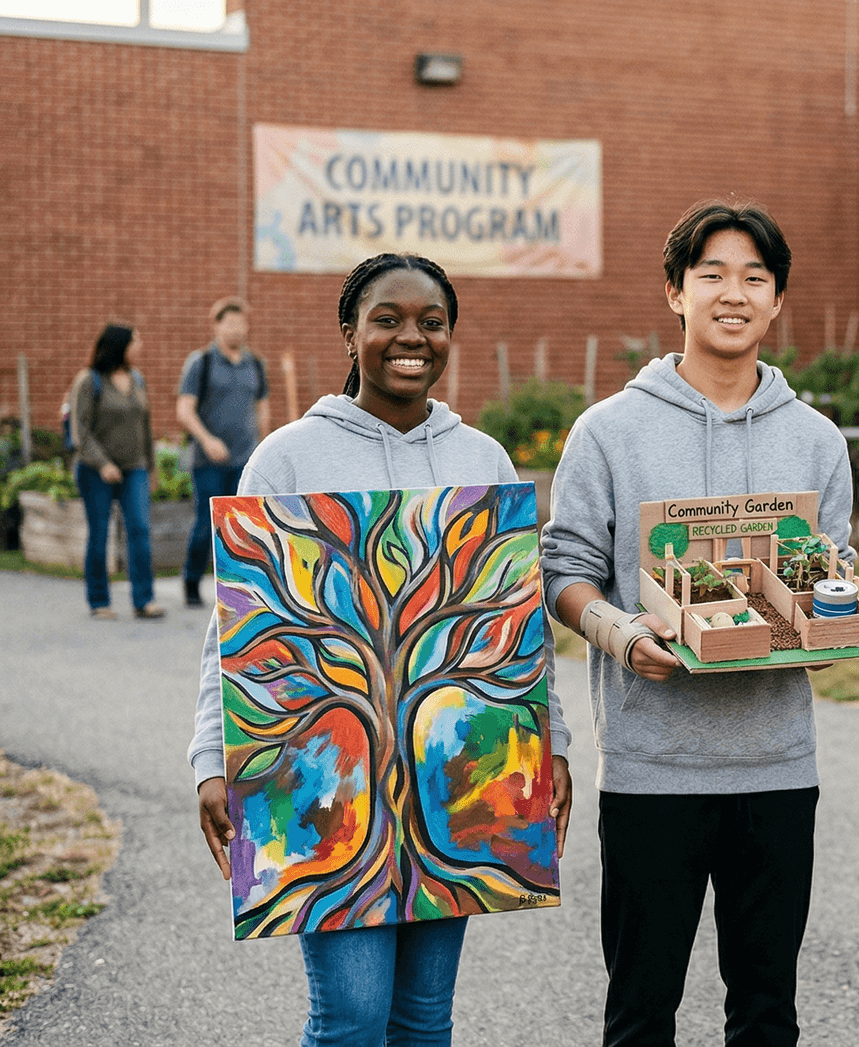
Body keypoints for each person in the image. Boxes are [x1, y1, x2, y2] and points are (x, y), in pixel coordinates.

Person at [189, 253, 572, 1045]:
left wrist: (553, 742)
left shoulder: (482, 459)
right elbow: (234, 627)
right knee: (351, 1016)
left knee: (425, 1018)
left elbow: (518, 623)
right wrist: (210, 754)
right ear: (349, 331)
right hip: (322, 781)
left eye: (432, 322)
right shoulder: (288, 458)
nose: (411, 338)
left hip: (455, 781)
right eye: (387, 319)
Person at [541, 200, 851, 1047]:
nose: (733, 293)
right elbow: (564, 571)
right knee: (641, 1013)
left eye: (754, 277)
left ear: (777, 299)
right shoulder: (608, 431)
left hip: (778, 767)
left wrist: (829, 629)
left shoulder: (817, 440)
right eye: (711, 273)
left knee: (767, 1012)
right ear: (676, 291)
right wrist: (623, 635)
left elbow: (830, 575)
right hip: (651, 769)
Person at [177, 296, 270, 608]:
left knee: (242, 529)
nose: (236, 329)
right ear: (216, 326)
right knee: (206, 526)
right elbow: (184, 410)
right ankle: (191, 581)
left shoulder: (255, 364)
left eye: (241, 323)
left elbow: (262, 408)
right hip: (209, 462)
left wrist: (264, 447)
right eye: (229, 323)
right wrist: (207, 440)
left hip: (245, 461)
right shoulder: (201, 362)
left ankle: (237, 594)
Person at [69, 323, 162, 620]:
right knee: (99, 533)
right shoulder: (90, 381)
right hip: (95, 471)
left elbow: (145, 427)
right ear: (119, 346)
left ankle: (143, 600)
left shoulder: (138, 379)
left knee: (140, 530)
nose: (140, 346)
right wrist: (103, 463)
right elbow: (80, 431)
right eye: (136, 341)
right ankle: (99, 601)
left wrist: (151, 467)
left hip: (134, 469)